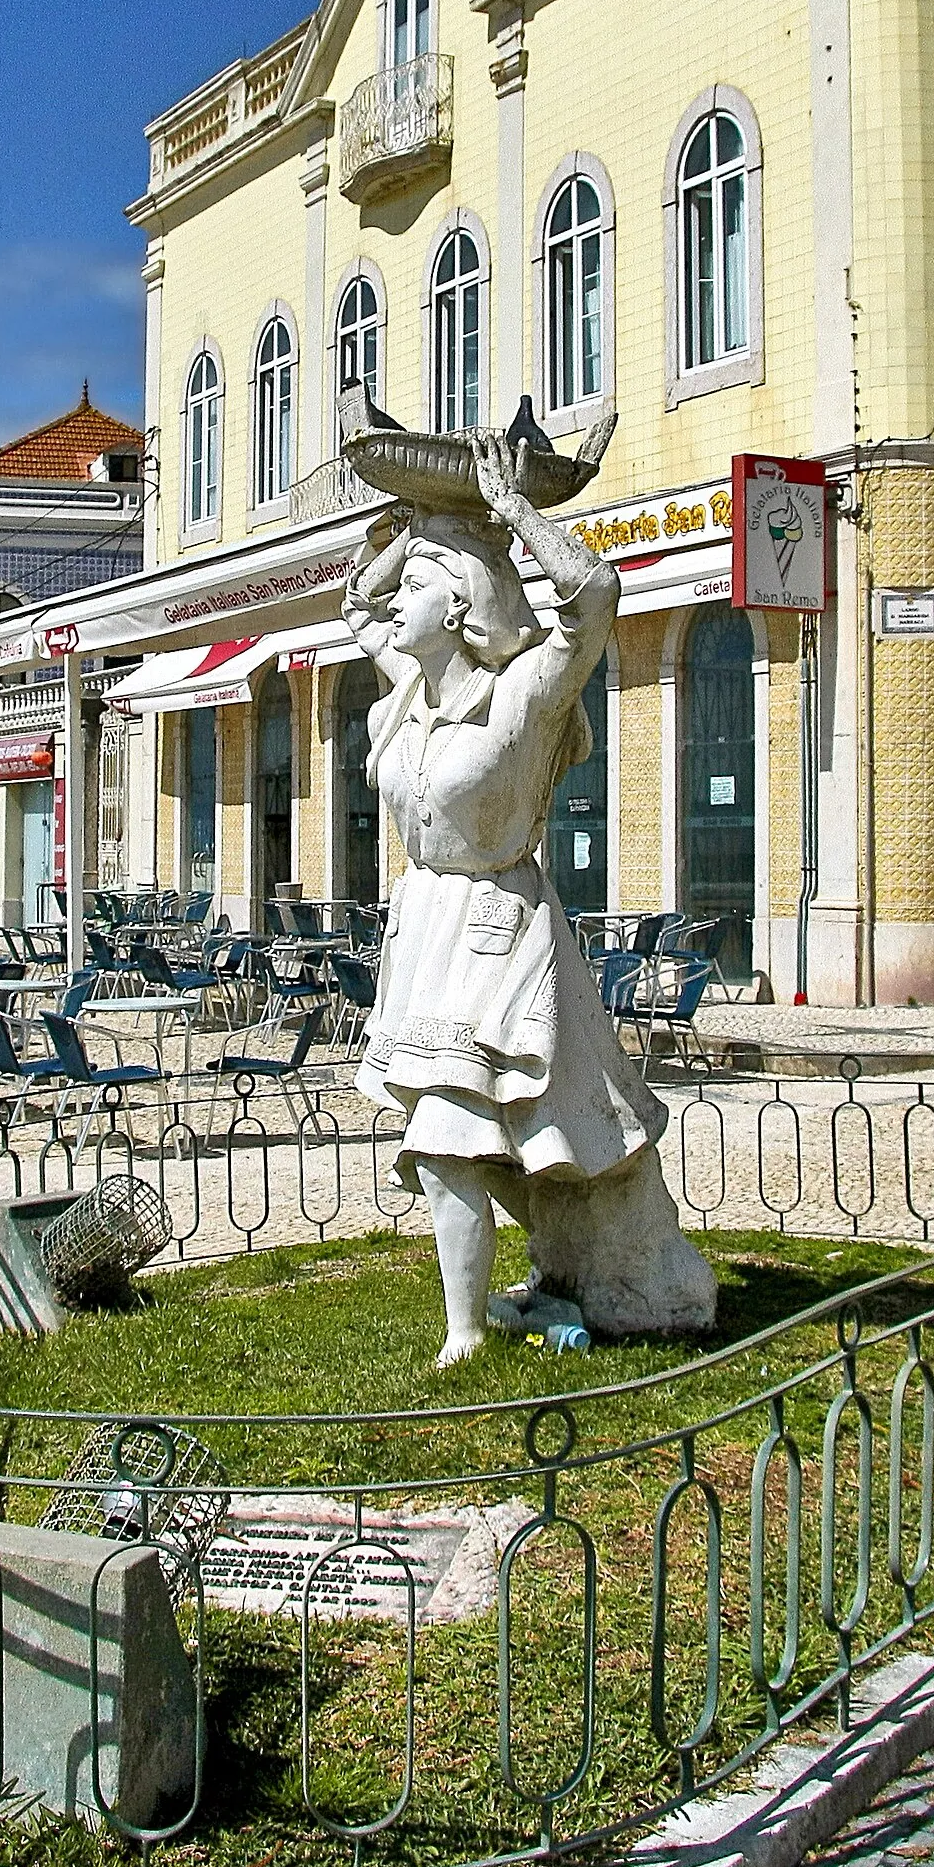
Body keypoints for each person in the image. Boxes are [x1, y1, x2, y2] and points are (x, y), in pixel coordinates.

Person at [342, 429, 715, 1364]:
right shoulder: (406, 696)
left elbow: (593, 601)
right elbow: (357, 607)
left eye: (422, 584)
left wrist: (510, 513)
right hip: (427, 922)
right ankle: (543, 1281)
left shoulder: (522, 698)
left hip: (500, 928)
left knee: (451, 1132)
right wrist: (417, 524)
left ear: (464, 607)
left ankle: (464, 1334)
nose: (400, 600)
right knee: (495, 1133)